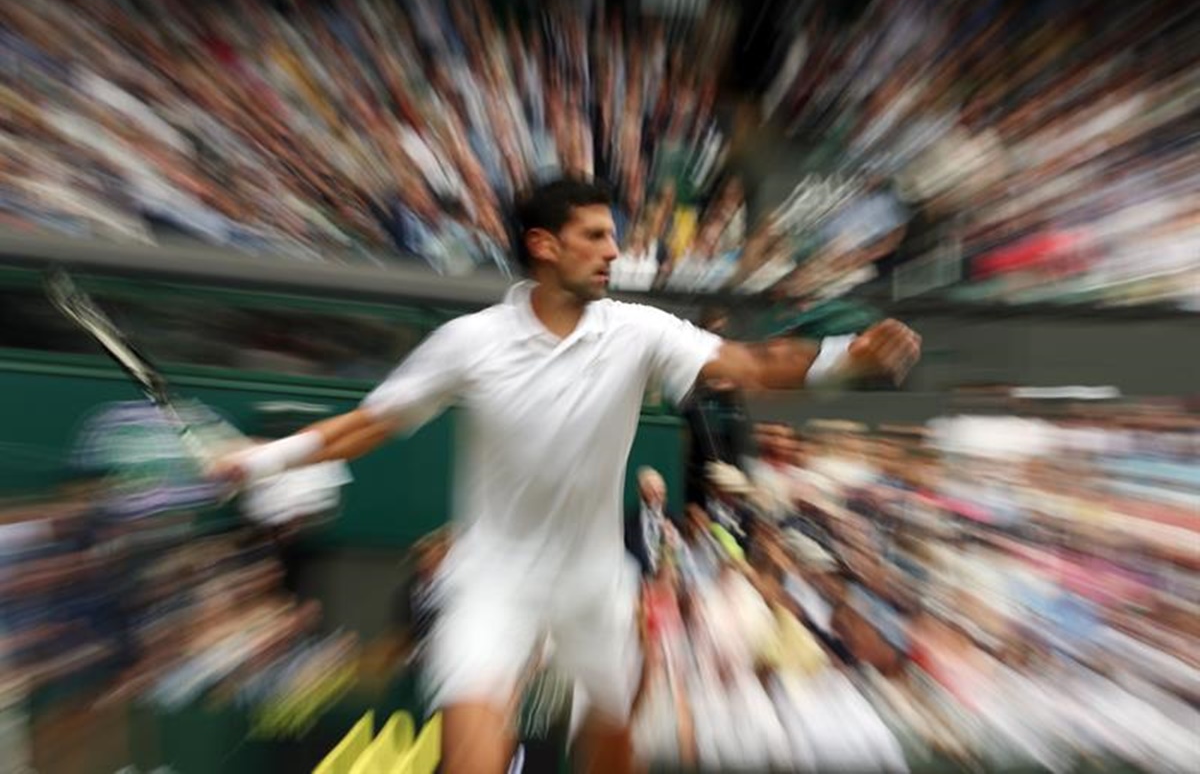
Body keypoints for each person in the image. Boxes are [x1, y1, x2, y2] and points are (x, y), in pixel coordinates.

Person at [211, 177, 921, 774]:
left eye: (612, 236)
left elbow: (749, 366)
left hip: (593, 585)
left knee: (614, 749)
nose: (614, 251)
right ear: (543, 247)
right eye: (594, 236)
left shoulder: (640, 332)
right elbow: (367, 424)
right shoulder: (469, 343)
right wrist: (264, 459)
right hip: (492, 579)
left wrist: (846, 357)